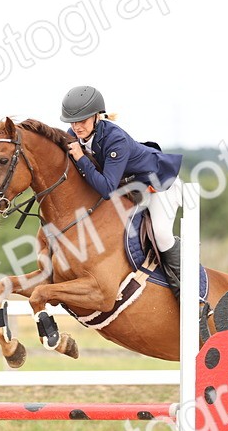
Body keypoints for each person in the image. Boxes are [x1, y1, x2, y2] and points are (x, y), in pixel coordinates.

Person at [59, 85, 186, 297]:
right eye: (73, 121)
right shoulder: (74, 135)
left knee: (162, 234)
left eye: (82, 121)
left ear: (96, 117)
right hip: (130, 187)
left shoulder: (115, 139)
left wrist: (80, 158)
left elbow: (107, 189)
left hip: (159, 183)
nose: (77, 127)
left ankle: (187, 292)